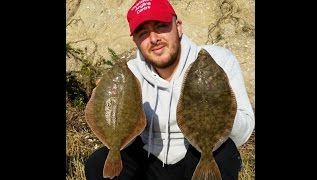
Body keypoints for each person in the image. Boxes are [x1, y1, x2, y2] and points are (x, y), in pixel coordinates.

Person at [84, 0, 255, 179]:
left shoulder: (218, 61)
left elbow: (244, 132)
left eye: (161, 26)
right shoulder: (129, 74)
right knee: (98, 163)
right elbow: (118, 128)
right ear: (135, 41)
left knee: (224, 154)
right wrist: (105, 100)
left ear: (178, 26)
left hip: (194, 154)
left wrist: (223, 108)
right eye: (143, 33)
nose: (154, 38)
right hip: (147, 158)